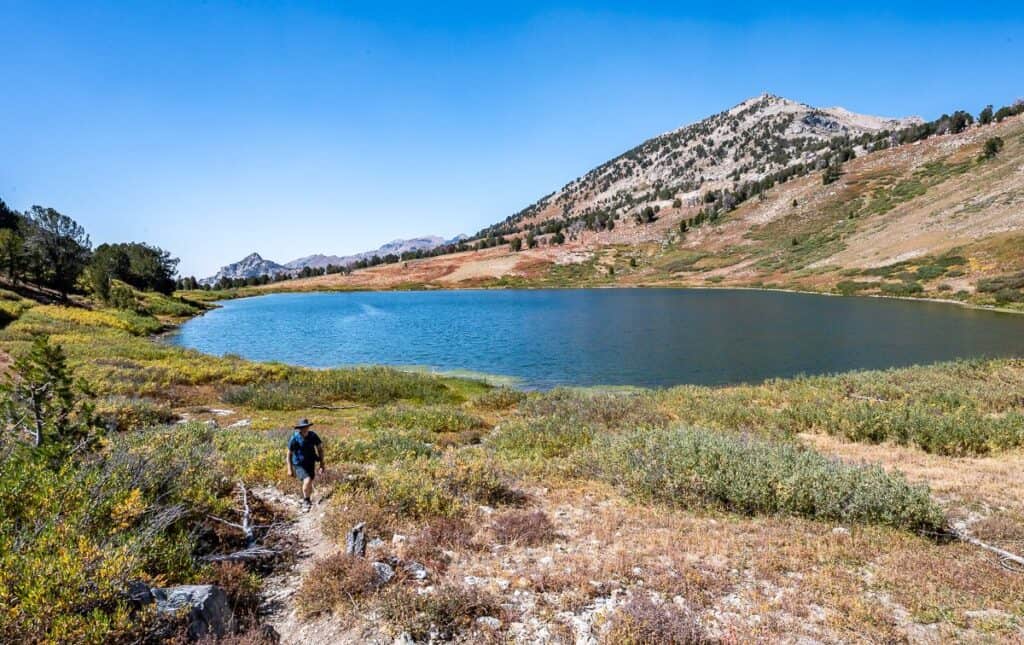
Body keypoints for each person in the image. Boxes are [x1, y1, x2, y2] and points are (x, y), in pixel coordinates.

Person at [286, 418, 324, 510]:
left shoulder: (313, 436)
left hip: (310, 462)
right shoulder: (294, 438)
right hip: (299, 464)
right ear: (299, 428)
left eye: (306, 427)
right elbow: (289, 454)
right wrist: (289, 469)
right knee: (307, 480)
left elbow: (320, 449)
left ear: (308, 427)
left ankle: (308, 498)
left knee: (310, 481)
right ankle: (306, 500)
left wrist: (322, 464)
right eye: (302, 427)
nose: (304, 429)